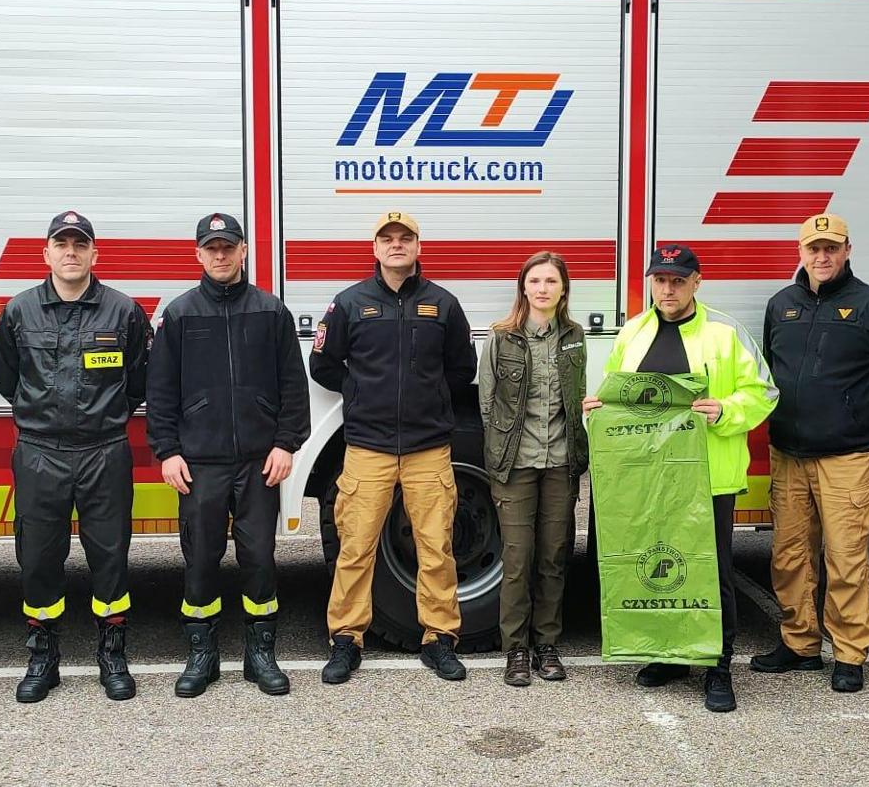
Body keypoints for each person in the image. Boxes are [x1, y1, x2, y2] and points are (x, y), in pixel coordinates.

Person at [583, 244, 778, 713]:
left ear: (696, 281)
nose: (667, 289)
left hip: (706, 475)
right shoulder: (633, 331)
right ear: (651, 282)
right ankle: (669, 657)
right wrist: (597, 410)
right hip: (648, 476)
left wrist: (726, 410)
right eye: (660, 280)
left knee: (710, 571)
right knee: (655, 561)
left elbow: (764, 391)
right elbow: (618, 393)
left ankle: (718, 667)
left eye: (677, 280)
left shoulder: (725, 331)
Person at [752, 213, 869, 694]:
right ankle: (799, 643)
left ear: (848, 250)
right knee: (789, 554)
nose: (821, 257)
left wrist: (861, 424)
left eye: (831, 248)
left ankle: (848, 653)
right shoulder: (780, 304)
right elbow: (770, 369)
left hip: (847, 458)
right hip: (789, 454)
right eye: (813, 248)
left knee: (845, 558)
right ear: (800, 252)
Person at [0, 210, 153, 703]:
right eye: (61, 244)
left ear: (93, 254)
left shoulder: (123, 312)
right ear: (45, 254)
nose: (70, 252)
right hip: (40, 452)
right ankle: (43, 656)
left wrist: (105, 419)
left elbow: (139, 382)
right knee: (39, 558)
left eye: (79, 244)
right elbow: (5, 377)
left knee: (110, 556)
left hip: (104, 451)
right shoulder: (18, 311)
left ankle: (112, 653)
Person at [309, 211, 478, 683]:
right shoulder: (349, 302)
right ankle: (346, 639)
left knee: (436, 547)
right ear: (376, 249)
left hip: (428, 448)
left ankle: (439, 639)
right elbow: (321, 363)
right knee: (356, 547)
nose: (397, 245)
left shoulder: (443, 304)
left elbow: (462, 368)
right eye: (388, 239)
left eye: (406, 238)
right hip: (368, 447)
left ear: (419, 248)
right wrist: (360, 390)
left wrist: (430, 398)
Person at [147, 213, 310, 697]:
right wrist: (168, 451)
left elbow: (291, 385)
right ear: (198, 254)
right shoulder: (179, 314)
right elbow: (160, 392)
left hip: (259, 460)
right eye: (211, 248)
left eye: (228, 247)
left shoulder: (270, 311)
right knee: (200, 560)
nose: (220, 255)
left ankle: (261, 654)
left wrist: (286, 443)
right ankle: (203, 655)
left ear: (243, 252)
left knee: (259, 558)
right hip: (199, 463)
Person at [476, 252, 587, 687]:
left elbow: (577, 397)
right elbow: (487, 404)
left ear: (563, 290)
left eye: (551, 281)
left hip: (560, 462)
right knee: (518, 558)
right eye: (535, 281)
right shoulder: (502, 338)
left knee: (553, 558)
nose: (542, 288)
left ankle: (547, 645)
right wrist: (501, 452)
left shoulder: (575, 336)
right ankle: (516, 650)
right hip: (516, 465)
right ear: (523, 288)